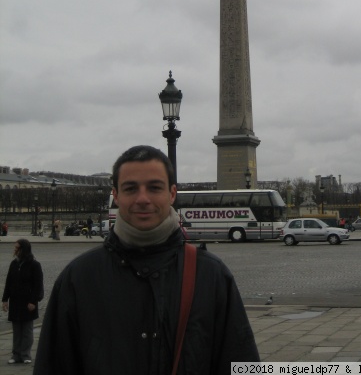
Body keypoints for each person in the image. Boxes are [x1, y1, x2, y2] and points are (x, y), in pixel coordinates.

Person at [34, 145, 259, 375]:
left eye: (154, 187)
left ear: (172, 194)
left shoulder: (212, 276)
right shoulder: (77, 278)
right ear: (116, 195)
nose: (143, 199)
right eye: (131, 188)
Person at [2, 239, 44, 365]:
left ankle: (25, 354)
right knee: (16, 330)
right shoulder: (13, 264)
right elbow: (8, 282)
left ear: (23, 249)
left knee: (27, 330)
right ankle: (16, 354)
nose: (14, 249)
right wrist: (5, 299)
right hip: (15, 301)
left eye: (17, 247)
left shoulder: (34, 265)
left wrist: (34, 301)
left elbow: (38, 285)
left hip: (28, 302)